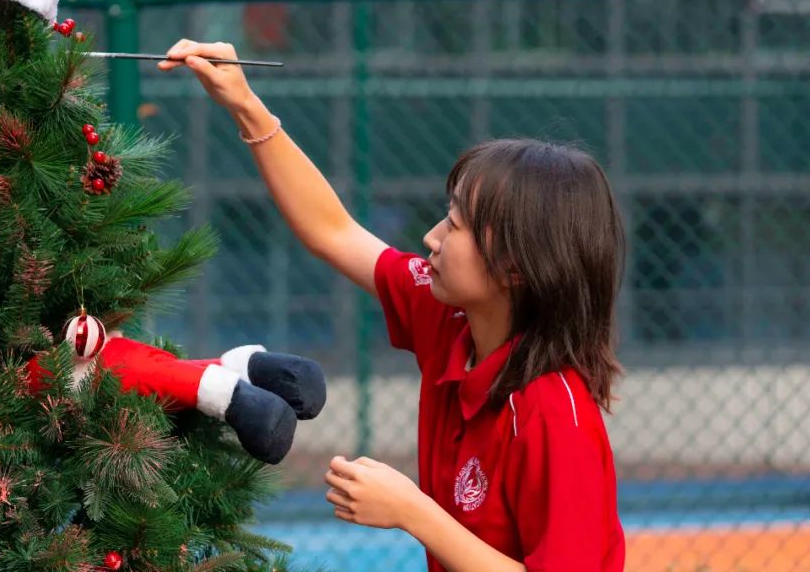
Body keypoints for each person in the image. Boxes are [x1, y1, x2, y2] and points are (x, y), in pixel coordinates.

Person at [159, 40, 627, 572]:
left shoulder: (553, 413)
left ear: (516, 269)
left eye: (455, 226)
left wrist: (413, 512)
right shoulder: (451, 319)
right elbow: (332, 231)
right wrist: (245, 104)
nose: (430, 237)